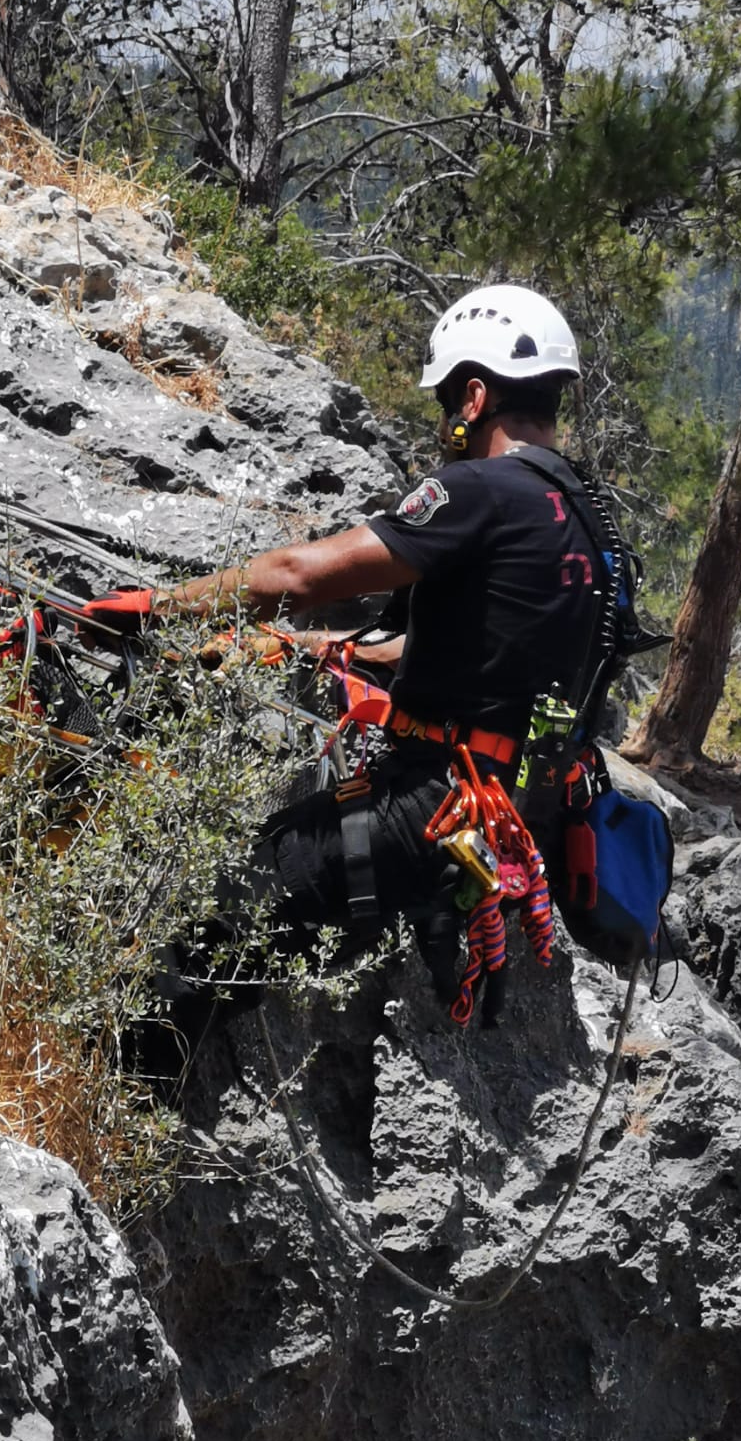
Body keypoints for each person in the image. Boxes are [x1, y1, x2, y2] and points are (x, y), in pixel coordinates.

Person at [83, 284, 621, 997]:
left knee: (209, 908)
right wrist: (318, 649)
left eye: (447, 405)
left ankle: (118, 1082)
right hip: (514, 819)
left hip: (431, 807)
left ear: (474, 396)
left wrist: (158, 606)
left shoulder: (483, 490)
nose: (446, 427)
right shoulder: (589, 521)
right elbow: (493, 654)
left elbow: (299, 574)